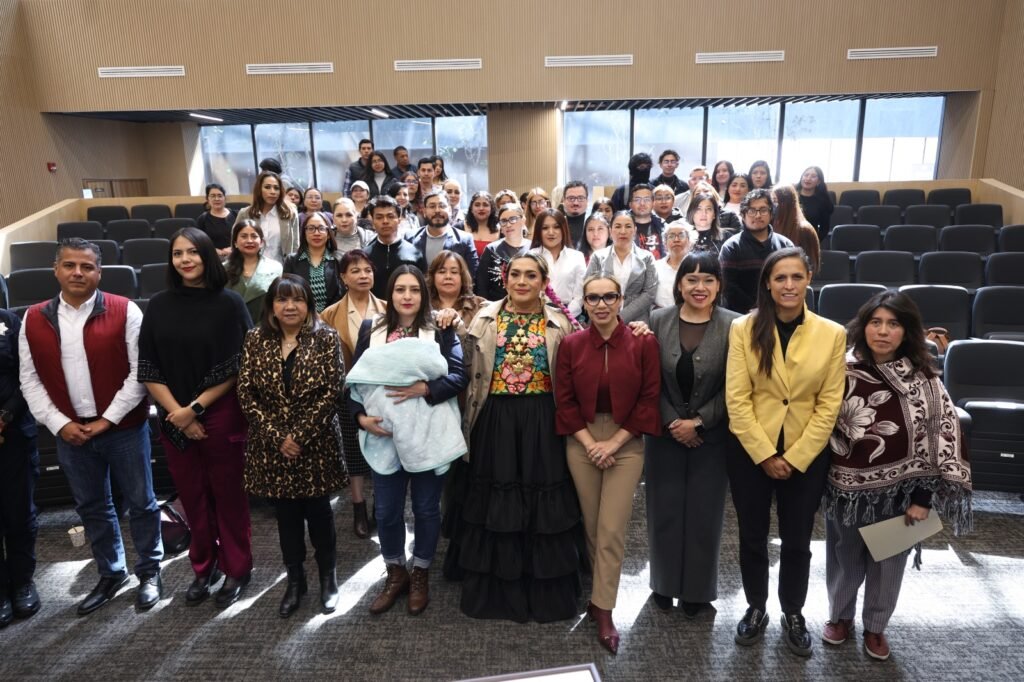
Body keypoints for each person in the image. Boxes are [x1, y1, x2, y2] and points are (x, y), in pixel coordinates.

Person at [822, 291, 972, 661]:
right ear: (863, 327)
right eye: (875, 322)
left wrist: (923, 499)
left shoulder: (925, 379)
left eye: (893, 324)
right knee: (844, 556)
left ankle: (876, 627)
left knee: (888, 562)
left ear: (906, 331)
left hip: (903, 493)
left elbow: (940, 438)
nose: (883, 331)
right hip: (846, 489)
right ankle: (839, 617)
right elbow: (820, 425)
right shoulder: (840, 369)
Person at [20, 239, 162, 614]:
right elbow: (29, 380)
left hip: (124, 428)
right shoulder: (33, 318)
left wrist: (107, 419)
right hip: (70, 433)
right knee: (92, 506)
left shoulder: (125, 310)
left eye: (86, 266)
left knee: (142, 501)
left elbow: (140, 372)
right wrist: (59, 423)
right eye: (69, 265)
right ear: (56, 270)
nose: (77, 272)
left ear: (99, 272)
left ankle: (149, 571)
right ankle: (112, 573)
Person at [725, 247, 847, 657]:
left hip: (805, 453)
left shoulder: (832, 333)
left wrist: (794, 458)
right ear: (768, 283)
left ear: (809, 279)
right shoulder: (743, 328)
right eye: (780, 278)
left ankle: (793, 611)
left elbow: (829, 405)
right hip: (751, 450)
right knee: (752, 536)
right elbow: (737, 399)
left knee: (797, 540)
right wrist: (764, 454)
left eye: (796, 276)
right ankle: (756, 606)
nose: (789, 285)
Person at [454, 253, 583, 623]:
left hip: (543, 418)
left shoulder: (561, 322)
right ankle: (499, 592)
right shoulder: (483, 317)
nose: (522, 281)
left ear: (544, 282)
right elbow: (462, 366)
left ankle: (543, 592)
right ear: (505, 278)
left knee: (543, 501)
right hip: (495, 417)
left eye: (531, 275)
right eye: (515, 274)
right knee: (499, 498)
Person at [139, 228, 253, 608]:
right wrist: (178, 414)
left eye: (193, 252)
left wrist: (195, 409)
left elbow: (239, 365)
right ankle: (205, 567)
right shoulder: (158, 305)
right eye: (178, 254)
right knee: (192, 496)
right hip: (173, 415)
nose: (185, 260)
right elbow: (148, 367)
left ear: (208, 255)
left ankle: (237, 568)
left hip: (220, 411)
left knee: (228, 495)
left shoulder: (230, 303)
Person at [348, 265, 468, 616]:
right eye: (400, 289)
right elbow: (354, 379)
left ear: (423, 293)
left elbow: (459, 376)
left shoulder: (440, 328)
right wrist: (359, 417)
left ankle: (420, 572)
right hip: (383, 434)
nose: (407, 296)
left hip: (427, 434)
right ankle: (396, 571)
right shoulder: (371, 329)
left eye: (414, 290)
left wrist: (426, 388)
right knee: (386, 511)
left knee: (427, 509)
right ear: (391, 293)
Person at [555, 274, 661, 654]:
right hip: (582, 439)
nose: (601, 305)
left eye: (609, 297)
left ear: (621, 300)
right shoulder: (570, 345)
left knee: (612, 527)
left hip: (626, 441)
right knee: (592, 526)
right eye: (593, 298)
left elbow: (649, 399)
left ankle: (603, 608)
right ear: (584, 303)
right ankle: (597, 593)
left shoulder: (643, 342)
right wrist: (591, 445)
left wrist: (612, 443)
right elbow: (564, 400)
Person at [238, 274, 348, 617]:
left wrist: (298, 437)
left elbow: (333, 390)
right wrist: (278, 437)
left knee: (320, 514)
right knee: (286, 517)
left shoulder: (326, 338)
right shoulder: (255, 339)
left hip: (315, 444)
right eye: (282, 299)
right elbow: (246, 393)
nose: (290, 306)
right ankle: (295, 580)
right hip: (273, 448)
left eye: (298, 299)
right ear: (271, 305)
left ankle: (328, 578)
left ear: (308, 305)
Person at [646, 251, 740, 618]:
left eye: (708, 280)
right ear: (679, 284)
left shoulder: (735, 325)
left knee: (704, 515)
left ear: (719, 285)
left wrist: (698, 422)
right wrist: (674, 422)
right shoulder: (658, 319)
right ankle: (663, 585)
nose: (700, 287)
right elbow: (649, 380)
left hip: (712, 438)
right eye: (692, 279)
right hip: (664, 435)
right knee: (664, 511)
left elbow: (737, 386)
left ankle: (698, 592)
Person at [320, 250, 387, 540]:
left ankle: (380, 507)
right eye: (355, 271)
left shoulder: (388, 308)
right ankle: (358, 506)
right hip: (346, 391)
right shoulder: (329, 314)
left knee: (383, 449)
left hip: (382, 391)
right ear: (343, 277)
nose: (363, 275)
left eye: (367, 270)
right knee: (353, 450)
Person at [0, 306, 38, 627]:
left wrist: (5, 415)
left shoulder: (8, 321)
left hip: (13, 433)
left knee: (18, 512)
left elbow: (28, 376)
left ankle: (23, 581)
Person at [719, 189, 795, 313]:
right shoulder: (731, 247)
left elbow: (791, 281)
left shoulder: (785, 245)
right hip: (740, 315)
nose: (758, 215)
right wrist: (754, 310)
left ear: (771, 214)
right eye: (751, 211)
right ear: (743, 215)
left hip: (780, 312)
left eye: (763, 210)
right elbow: (728, 286)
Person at [585, 211, 658, 324]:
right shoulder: (598, 257)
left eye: (628, 226)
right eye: (618, 226)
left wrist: (620, 319)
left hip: (637, 322)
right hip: (602, 317)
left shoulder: (647, 257)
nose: (623, 231)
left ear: (635, 230)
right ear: (610, 231)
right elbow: (588, 289)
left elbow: (649, 293)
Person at [407, 191, 479, 281]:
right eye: (432, 206)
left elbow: (472, 275)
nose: (437, 210)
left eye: (442, 206)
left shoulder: (464, 240)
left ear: (449, 210)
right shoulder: (410, 238)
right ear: (424, 211)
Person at [529, 209, 586, 318]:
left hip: (569, 315)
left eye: (556, 227)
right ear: (538, 231)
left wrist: (565, 316)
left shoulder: (577, 256)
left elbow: (579, 296)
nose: (551, 232)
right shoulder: (530, 256)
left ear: (563, 229)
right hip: (535, 314)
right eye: (545, 228)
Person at [225, 219, 284, 323]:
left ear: (261, 242)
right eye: (244, 236)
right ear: (235, 243)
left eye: (254, 236)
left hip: (264, 327)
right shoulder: (223, 269)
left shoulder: (275, 268)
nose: (249, 240)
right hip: (230, 326)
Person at [363, 195, 422, 299]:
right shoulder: (364, 256)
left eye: (390, 216)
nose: (385, 221)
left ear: (399, 219)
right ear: (372, 221)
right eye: (379, 217)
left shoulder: (415, 253)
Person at [283, 211, 342, 313]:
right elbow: (287, 292)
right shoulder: (291, 260)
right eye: (311, 228)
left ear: (328, 234)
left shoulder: (338, 260)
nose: (316, 233)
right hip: (300, 315)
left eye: (321, 228)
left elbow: (341, 293)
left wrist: (326, 314)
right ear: (304, 233)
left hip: (333, 315)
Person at [234, 171, 299, 263]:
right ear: (259, 189)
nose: (272, 192)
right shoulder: (245, 213)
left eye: (276, 188)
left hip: (282, 267)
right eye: (267, 187)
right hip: (251, 266)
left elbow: (295, 245)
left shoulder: (290, 213)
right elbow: (235, 241)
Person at [476, 203, 530, 301]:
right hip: (497, 305)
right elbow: (481, 286)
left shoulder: (534, 248)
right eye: (503, 221)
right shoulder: (491, 249)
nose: (508, 225)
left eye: (513, 219)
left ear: (523, 221)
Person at [427, 250, 486, 332]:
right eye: (442, 272)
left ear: (462, 277)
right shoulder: (423, 305)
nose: (448, 276)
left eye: (454, 272)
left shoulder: (480, 305)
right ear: (433, 277)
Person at [772, 185, 821, 274]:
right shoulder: (772, 225)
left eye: (776, 201)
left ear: (786, 203)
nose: (773, 206)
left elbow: (810, 264)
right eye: (772, 201)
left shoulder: (804, 229)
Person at [653, 221, 692, 308]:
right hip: (661, 313)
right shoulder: (655, 267)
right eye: (671, 236)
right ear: (665, 244)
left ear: (690, 242)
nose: (676, 240)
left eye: (681, 235)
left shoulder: (698, 266)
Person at [196, 183, 237, 259]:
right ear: (207, 199)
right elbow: (199, 242)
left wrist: (233, 248)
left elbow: (243, 236)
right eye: (213, 196)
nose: (217, 199)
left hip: (235, 255)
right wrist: (214, 250)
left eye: (220, 195)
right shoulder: (202, 219)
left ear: (224, 198)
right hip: (212, 257)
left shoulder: (236, 215)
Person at [687, 191, 734, 255]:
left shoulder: (726, 237)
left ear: (714, 214)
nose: (704, 214)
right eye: (698, 209)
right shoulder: (684, 237)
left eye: (708, 209)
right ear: (691, 213)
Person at [627, 184, 665, 259]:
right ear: (630, 204)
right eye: (637, 200)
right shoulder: (622, 227)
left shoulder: (663, 226)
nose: (642, 203)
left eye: (647, 199)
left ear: (653, 203)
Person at [797, 166, 834, 241]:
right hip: (787, 240)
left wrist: (815, 242)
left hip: (810, 240)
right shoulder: (790, 196)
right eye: (806, 175)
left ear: (819, 181)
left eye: (813, 176)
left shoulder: (822, 201)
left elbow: (824, 228)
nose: (808, 179)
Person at [464, 191, 500, 257]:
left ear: (491, 209)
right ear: (471, 209)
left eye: (485, 205)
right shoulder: (459, 228)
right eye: (477, 205)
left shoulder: (502, 230)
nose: (481, 208)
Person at [560, 180, 590, 249]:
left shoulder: (595, 224)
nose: (576, 203)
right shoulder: (557, 224)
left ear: (587, 200)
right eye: (571, 198)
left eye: (580, 198)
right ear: (563, 200)